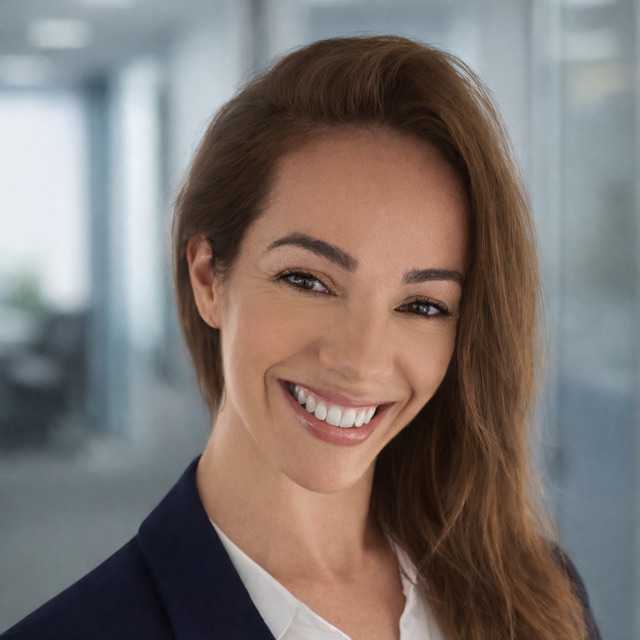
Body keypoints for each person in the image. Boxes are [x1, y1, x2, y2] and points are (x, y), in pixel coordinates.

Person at [1, 35, 602, 640]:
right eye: (308, 280)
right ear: (208, 278)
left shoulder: (541, 598)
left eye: (422, 305)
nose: (360, 360)